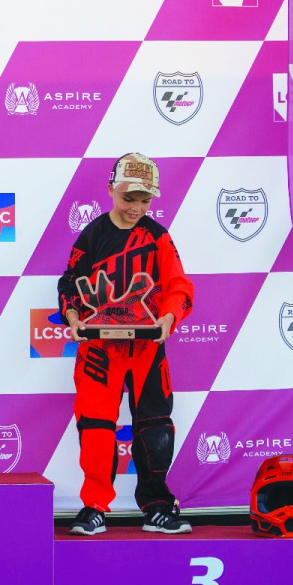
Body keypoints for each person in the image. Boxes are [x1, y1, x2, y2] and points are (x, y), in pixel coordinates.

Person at [57, 152, 194, 534]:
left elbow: (178, 286)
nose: (136, 207)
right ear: (111, 190)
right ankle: (95, 506)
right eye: (128, 198)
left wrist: (169, 317)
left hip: (147, 348)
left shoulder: (158, 236)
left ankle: (157, 505)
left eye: (144, 200)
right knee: (97, 427)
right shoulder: (93, 235)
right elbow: (69, 283)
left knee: (155, 428)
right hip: (100, 350)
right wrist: (72, 317)